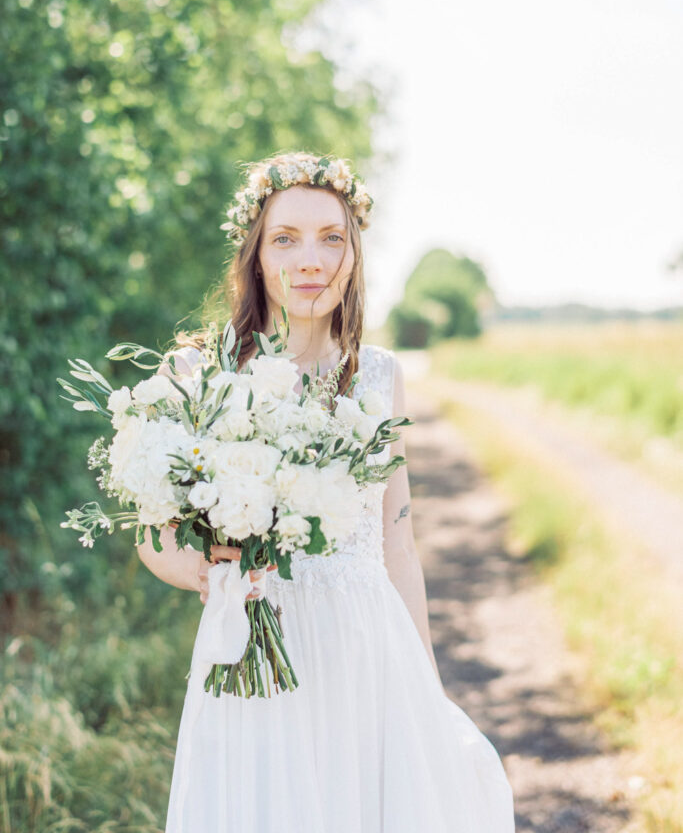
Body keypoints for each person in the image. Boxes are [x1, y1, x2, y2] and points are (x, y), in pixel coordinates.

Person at [136, 150, 516, 832]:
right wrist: (202, 568)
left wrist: (426, 688)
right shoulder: (199, 370)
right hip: (254, 647)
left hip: (366, 651)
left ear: (353, 255)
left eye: (330, 238)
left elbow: (396, 544)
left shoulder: (377, 376)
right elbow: (152, 534)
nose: (309, 260)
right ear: (256, 255)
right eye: (285, 239)